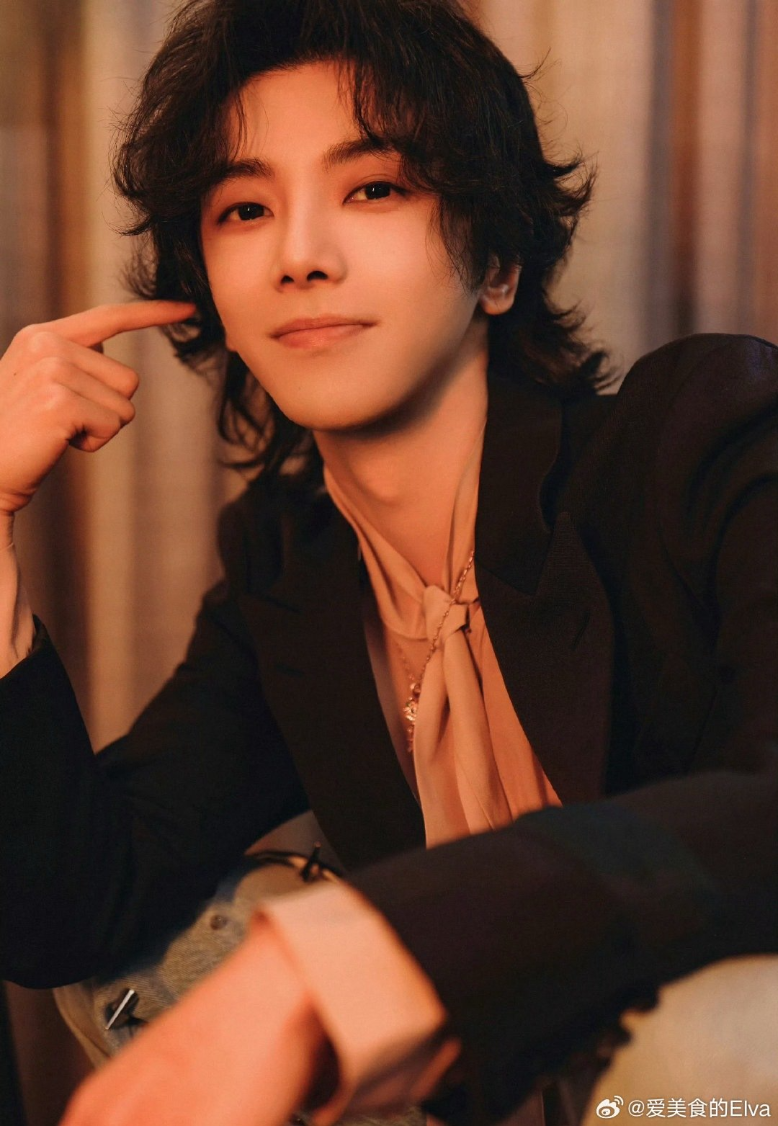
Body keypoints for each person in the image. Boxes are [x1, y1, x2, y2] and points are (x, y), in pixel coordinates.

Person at [0, 1, 775, 1124]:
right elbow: (75, 907)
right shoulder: (293, 570)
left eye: (374, 189)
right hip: (500, 1085)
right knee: (149, 955)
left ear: (497, 262)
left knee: (707, 1043)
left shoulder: (696, 436)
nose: (300, 257)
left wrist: (361, 949)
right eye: (245, 208)